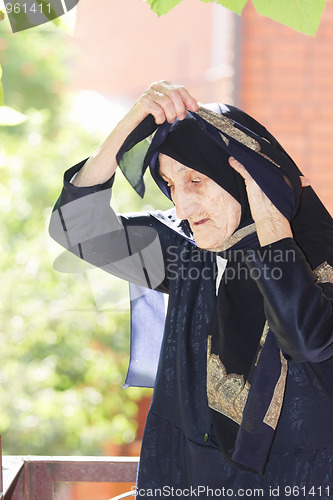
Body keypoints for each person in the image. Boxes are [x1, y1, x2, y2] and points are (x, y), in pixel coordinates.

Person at [49, 81, 333, 499]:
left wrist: (269, 219)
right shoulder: (187, 248)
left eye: (196, 182)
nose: (182, 208)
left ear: (246, 176)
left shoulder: (318, 255)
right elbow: (76, 228)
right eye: (170, 185)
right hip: (184, 477)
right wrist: (132, 123)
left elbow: (307, 337)